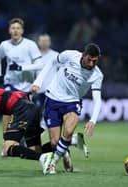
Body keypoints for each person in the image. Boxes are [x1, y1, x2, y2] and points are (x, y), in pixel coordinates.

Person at [31, 43, 103, 174]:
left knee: (68, 130)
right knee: (54, 143)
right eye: (89, 60)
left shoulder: (97, 75)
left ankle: (53, 163)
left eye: (95, 61)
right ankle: (74, 140)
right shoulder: (70, 55)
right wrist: (38, 82)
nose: (91, 64)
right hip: (52, 98)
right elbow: (51, 62)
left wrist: (93, 120)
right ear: (83, 55)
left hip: (72, 103)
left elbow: (97, 99)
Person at [0, 18, 44, 141]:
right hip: (10, 83)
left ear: (22, 31)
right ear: (9, 30)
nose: (15, 31)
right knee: (7, 111)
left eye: (18, 28)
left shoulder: (30, 45)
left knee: (26, 115)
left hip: (27, 85)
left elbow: (40, 64)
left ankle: (23, 139)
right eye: (13, 28)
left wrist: (22, 67)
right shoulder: (4, 45)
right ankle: (6, 141)